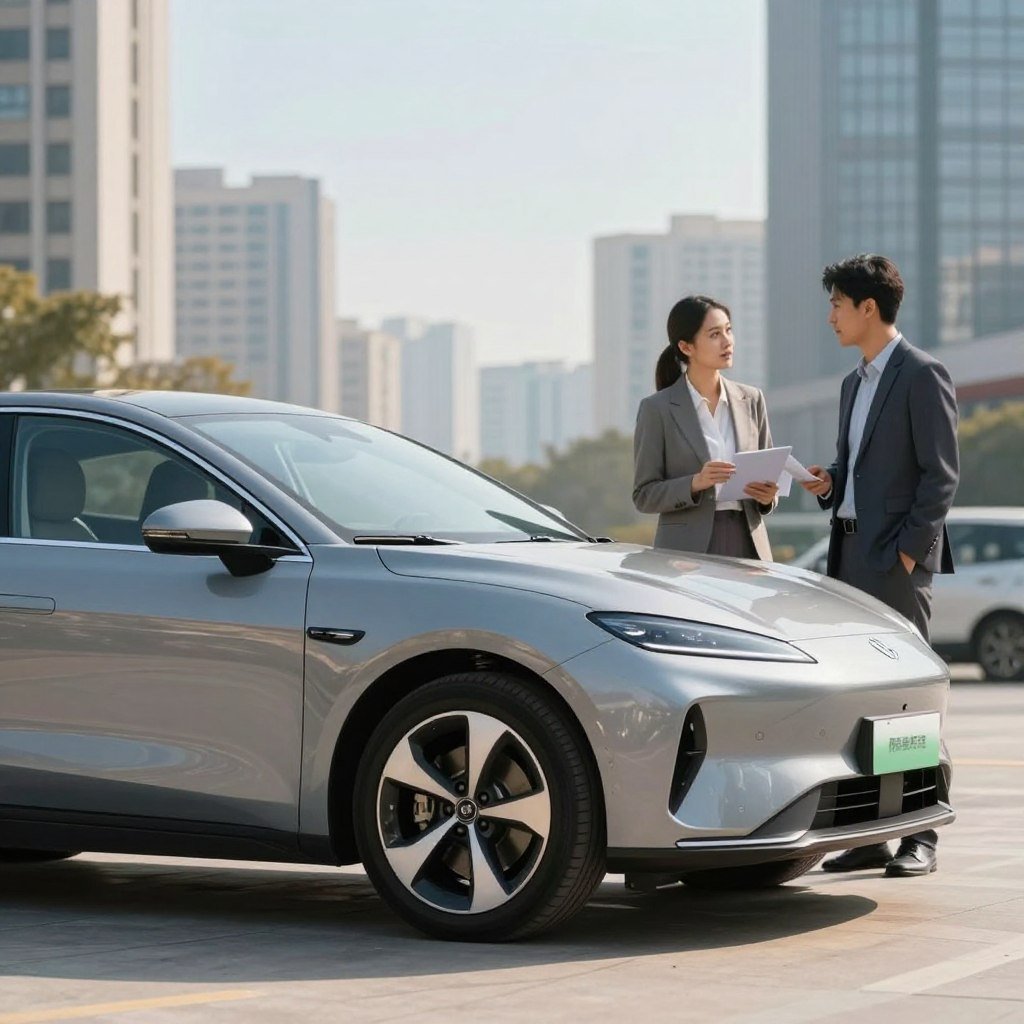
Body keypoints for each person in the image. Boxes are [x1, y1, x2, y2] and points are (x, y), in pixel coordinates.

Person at [801, 254, 959, 878]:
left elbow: (940, 476)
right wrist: (829, 480)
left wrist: (907, 552)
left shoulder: (922, 374)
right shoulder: (852, 383)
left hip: (894, 561)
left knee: (908, 700)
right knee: (861, 699)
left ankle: (921, 834)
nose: (831, 317)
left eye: (837, 304)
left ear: (869, 308)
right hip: (848, 557)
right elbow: (860, 468)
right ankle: (869, 833)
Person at [633, 295, 778, 558]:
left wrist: (768, 497)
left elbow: (769, 475)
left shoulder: (752, 399)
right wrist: (695, 482)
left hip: (749, 542)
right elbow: (644, 495)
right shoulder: (657, 409)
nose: (727, 341)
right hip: (685, 552)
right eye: (714, 334)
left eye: (728, 330)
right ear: (686, 347)